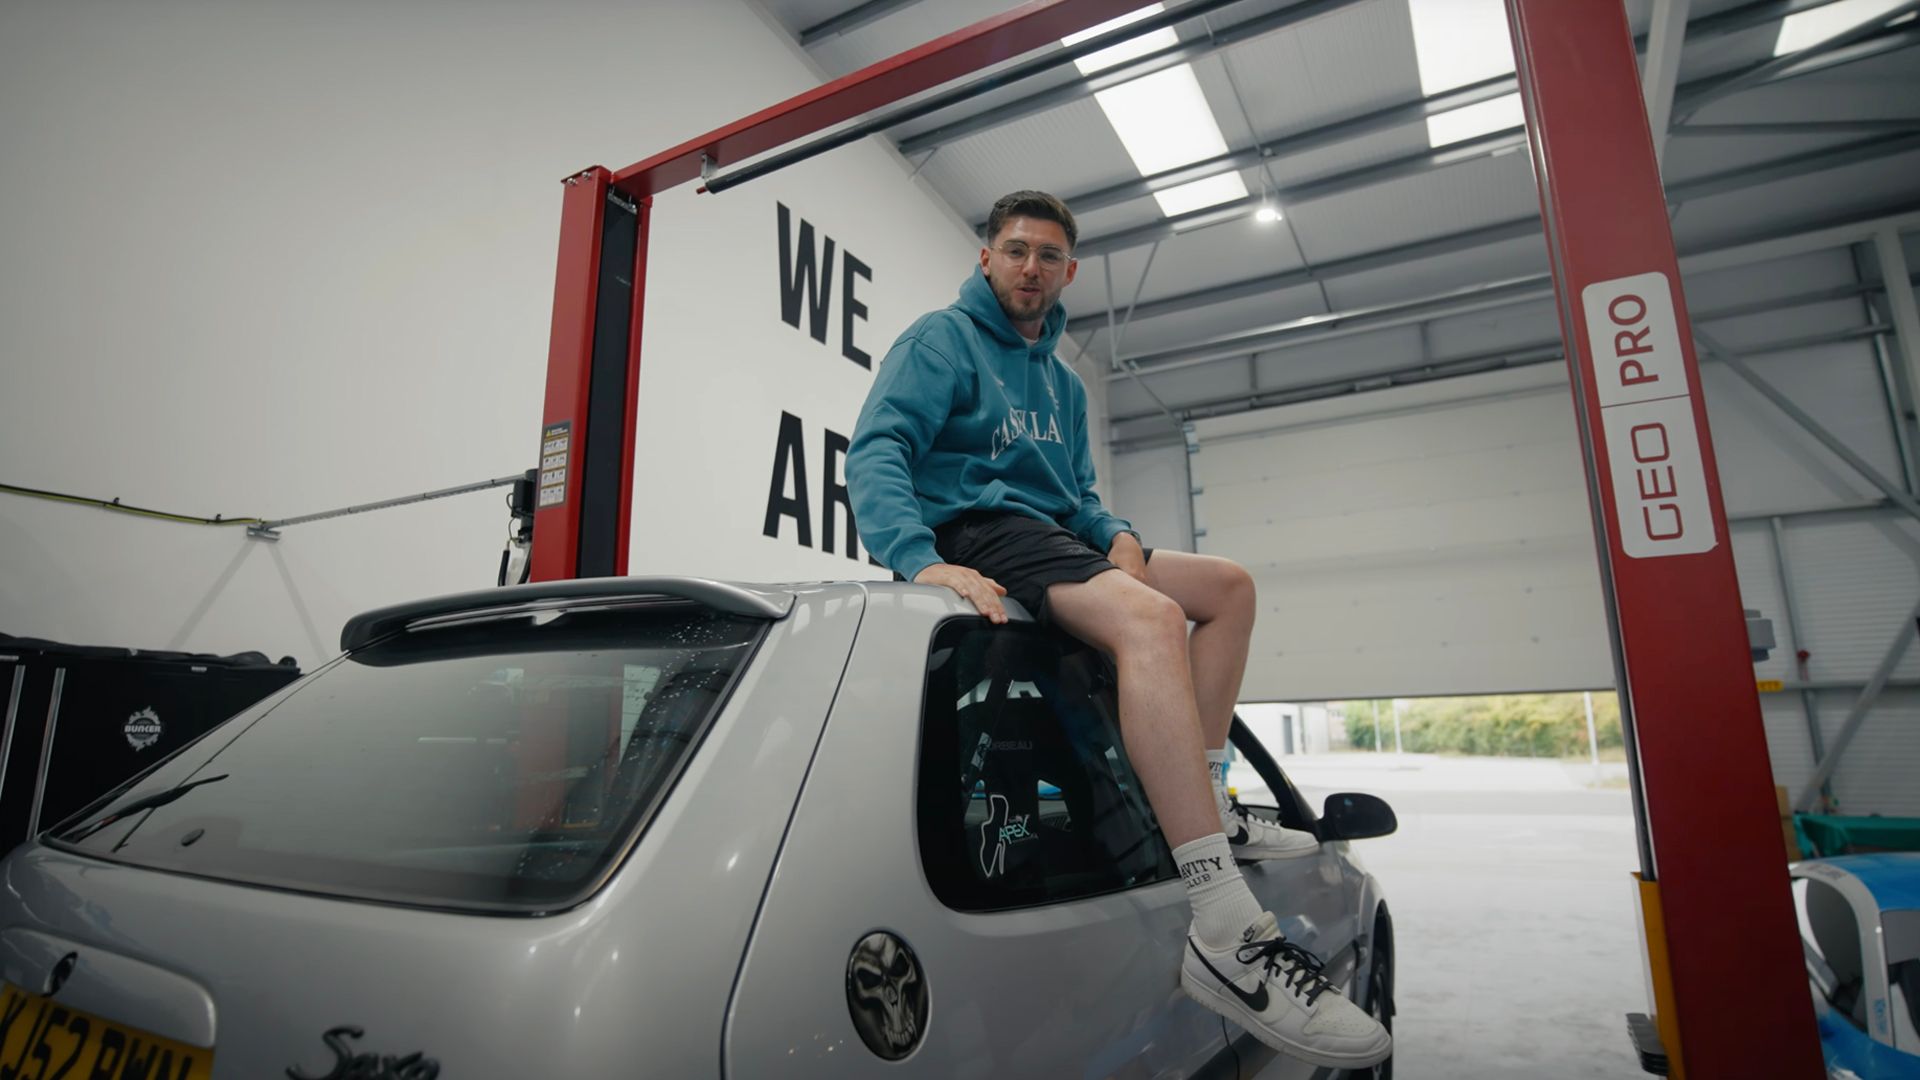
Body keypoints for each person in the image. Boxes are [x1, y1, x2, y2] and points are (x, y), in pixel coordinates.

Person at [846, 190, 1391, 1069]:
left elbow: (1078, 496)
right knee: (1152, 621)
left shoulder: (1060, 381)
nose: (1031, 268)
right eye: (1016, 250)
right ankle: (1221, 924)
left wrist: (1117, 531)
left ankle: (1206, 796)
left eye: (1048, 256)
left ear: (1069, 270)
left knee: (1228, 588)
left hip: (1053, 535)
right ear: (987, 258)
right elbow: (877, 449)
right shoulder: (938, 342)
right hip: (981, 529)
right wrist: (919, 558)